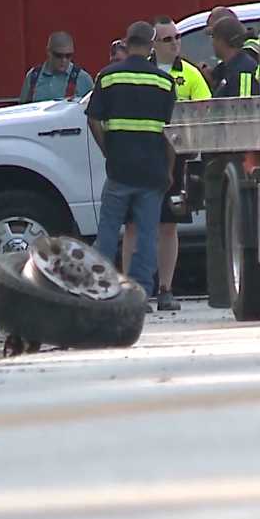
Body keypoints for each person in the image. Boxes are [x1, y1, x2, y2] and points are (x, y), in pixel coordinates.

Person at [120, 16, 211, 311]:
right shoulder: (140, 71)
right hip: (141, 157)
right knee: (134, 226)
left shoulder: (190, 74)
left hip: (175, 159)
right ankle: (134, 290)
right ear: (152, 45)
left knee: (168, 226)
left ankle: (166, 289)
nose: (175, 44)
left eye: (177, 38)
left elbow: (203, 110)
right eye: (168, 39)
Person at [87, 21, 177, 307]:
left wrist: (108, 151)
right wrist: (170, 170)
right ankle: (140, 297)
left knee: (108, 232)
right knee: (148, 235)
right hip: (152, 171)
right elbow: (170, 134)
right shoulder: (164, 82)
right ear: (151, 46)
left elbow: (93, 119)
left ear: (126, 43)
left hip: (120, 168)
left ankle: (100, 293)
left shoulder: (108, 77)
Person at [20, 31, 94, 104]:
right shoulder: (33, 77)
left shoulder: (83, 79)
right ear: (48, 52)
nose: (64, 60)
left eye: (68, 56)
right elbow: (23, 109)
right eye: (58, 55)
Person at [209, 16, 260, 99]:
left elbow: (245, 107)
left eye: (214, 38)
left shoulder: (244, 71)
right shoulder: (227, 69)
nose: (212, 43)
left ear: (222, 41)